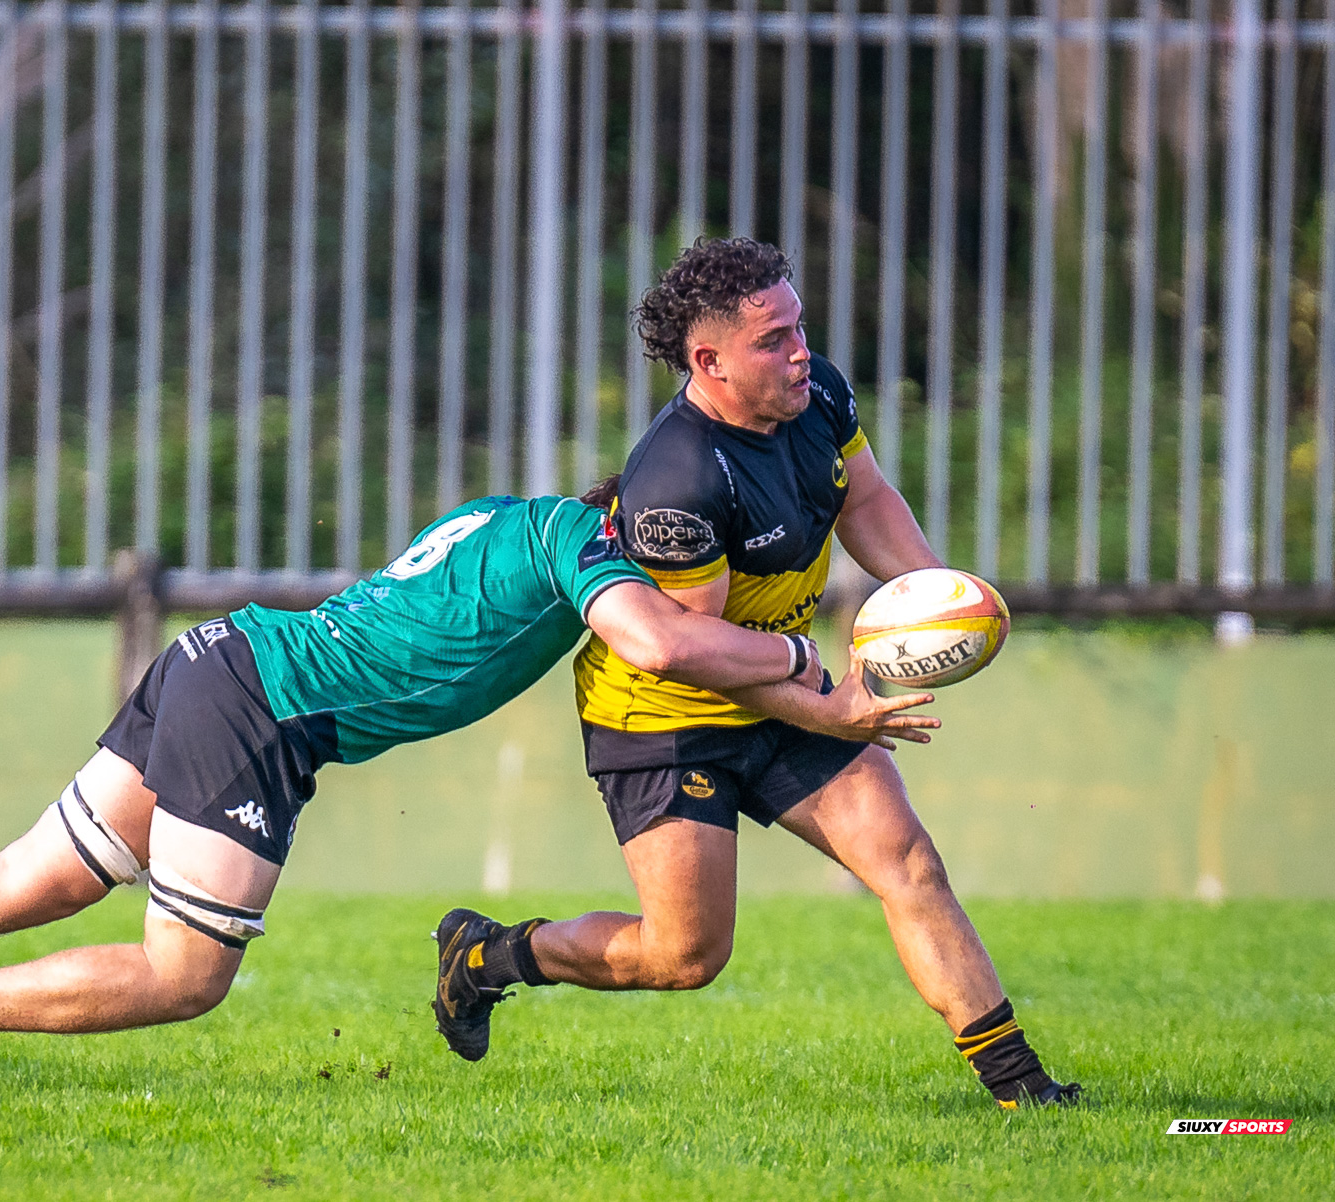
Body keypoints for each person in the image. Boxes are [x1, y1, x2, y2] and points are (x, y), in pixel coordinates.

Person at [0, 490, 929, 1091]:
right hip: (264, 707)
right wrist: (814, 671)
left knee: (37, 871)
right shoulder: (592, 546)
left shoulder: (507, 512)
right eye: (691, 559)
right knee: (187, 973)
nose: (695, 580)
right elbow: (658, 645)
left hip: (223, 656)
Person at [431, 238, 1080, 1110]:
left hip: (781, 672)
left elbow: (868, 499)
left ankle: (1023, 1091)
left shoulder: (818, 398)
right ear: (710, 362)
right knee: (685, 957)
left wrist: (937, 596)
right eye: (773, 339)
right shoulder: (680, 479)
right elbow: (702, 655)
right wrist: (832, 713)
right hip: (665, 712)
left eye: (798, 325)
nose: (800, 350)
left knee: (908, 863)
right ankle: (487, 956)